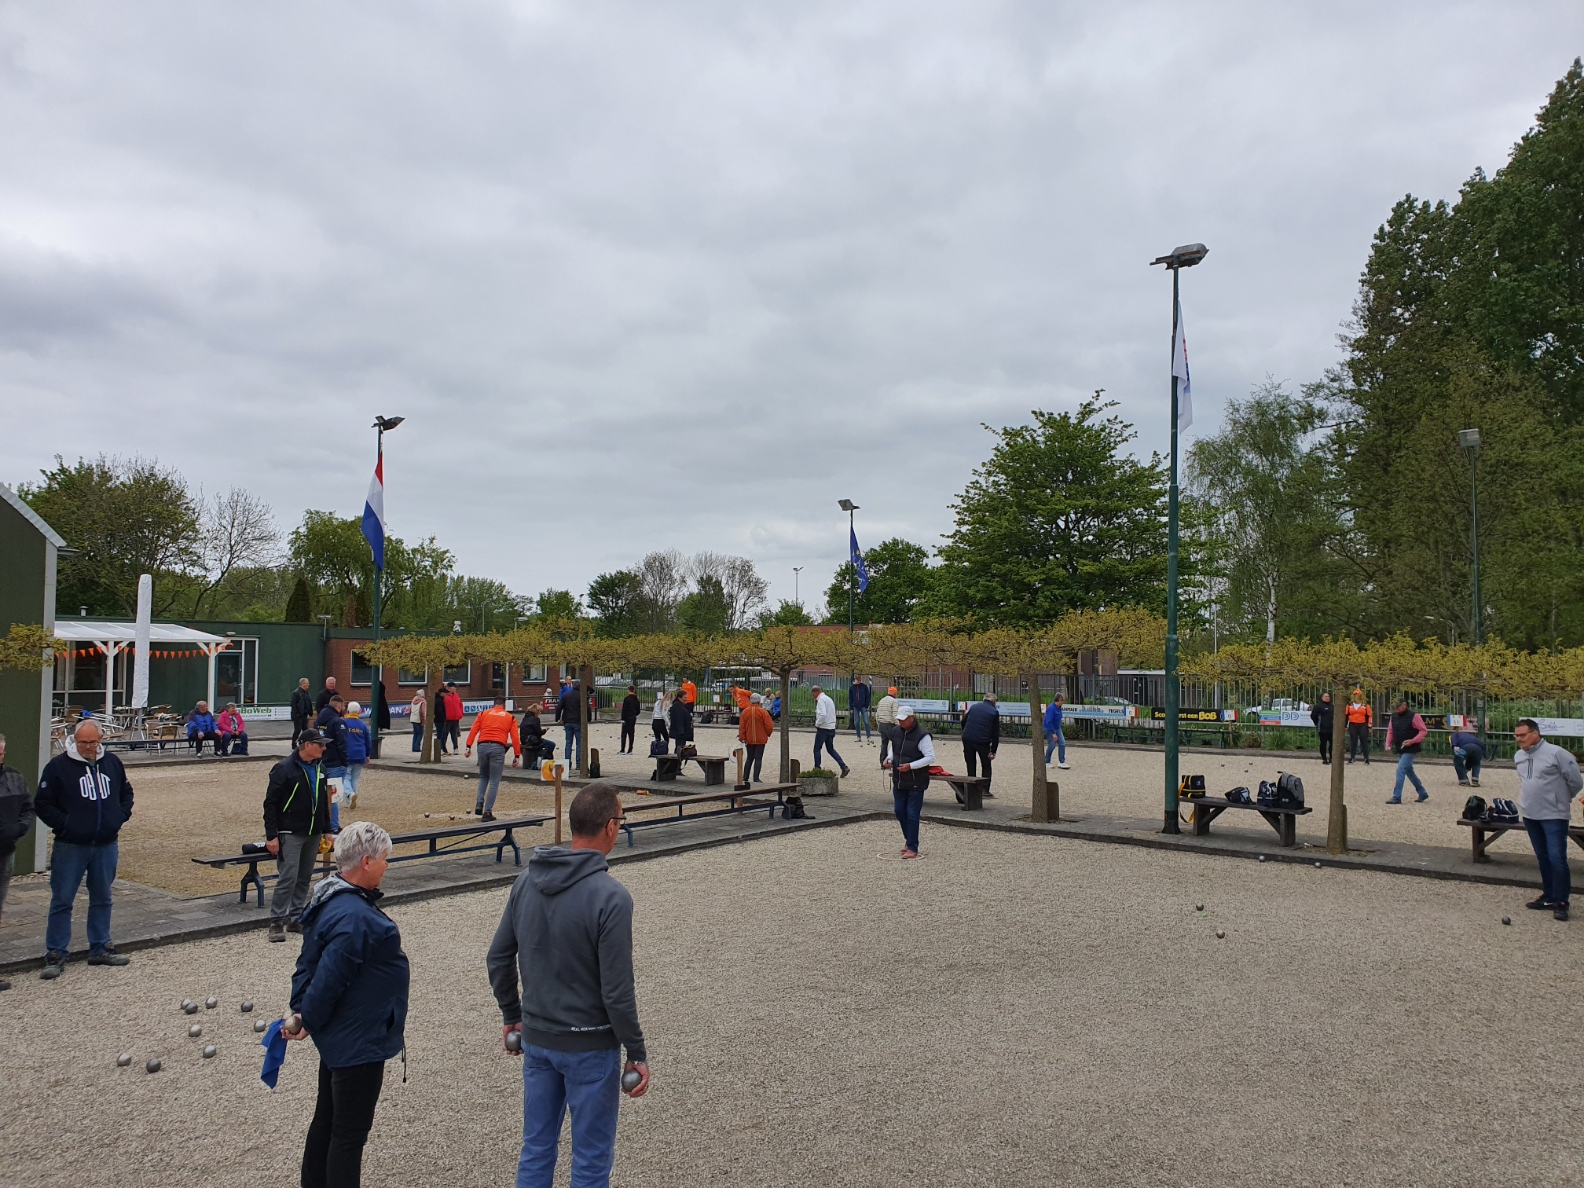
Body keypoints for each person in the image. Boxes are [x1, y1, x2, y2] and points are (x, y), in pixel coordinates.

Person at [487, 783, 649, 1188]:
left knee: (536, 1148)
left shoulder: (526, 881)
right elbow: (616, 990)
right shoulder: (611, 897)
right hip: (590, 1042)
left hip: (538, 1036)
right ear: (610, 827)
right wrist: (636, 1050)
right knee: (591, 1161)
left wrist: (512, 1014)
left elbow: (498, 957)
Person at [285, 821, 409, 1188]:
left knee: (327, 1120)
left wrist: (303, 1010)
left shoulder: (331, 898)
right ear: (367, 862)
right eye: (384, 858)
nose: (387, 864)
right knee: (348, 1134)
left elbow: (308, 964)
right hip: (358, 1038)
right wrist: (308, 1016)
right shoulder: (357, 917)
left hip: (342, 1032)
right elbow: (329, 975)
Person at [34, 719, 134, 979]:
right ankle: (55, 952)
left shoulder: (112, 763)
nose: (88, 747)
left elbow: (126, 793)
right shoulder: (58, 767)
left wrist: (118, 817)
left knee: (103, 897)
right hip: (71, 845)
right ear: (75, 740)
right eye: (83, 742)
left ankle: (100, 947)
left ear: (101, 740)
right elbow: (43, 803)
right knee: (62, 900)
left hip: (105, 843)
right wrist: (66, 824)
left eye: (93, 742)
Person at [263, 728, 331, 942]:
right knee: (288, 878)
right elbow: (270, 803)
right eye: (320, 744)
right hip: (290, 831)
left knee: (304, 877)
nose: (324, 748)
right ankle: (276, 922)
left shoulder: (321, 767)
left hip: (313, 831)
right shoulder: (283, 768)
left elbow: (323, 801)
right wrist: (271, 835)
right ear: (307, 745)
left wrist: (327, 829)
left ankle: (296, 917)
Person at [1513, 718, 1583, 921]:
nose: (1519, 739)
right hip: (1530, 813)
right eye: (1516, 735)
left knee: (1556, 857)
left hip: (1554, 814)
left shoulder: (1557, 753)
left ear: (1535, 734)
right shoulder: (1519, 756)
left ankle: (1562, 901)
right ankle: (1549, 895)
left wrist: (1560, 798)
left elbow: (1576, 781)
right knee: (1542, 856)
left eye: (1522, 735)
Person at [0, 734, 37, 991]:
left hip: (6, 853)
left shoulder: (14, 778)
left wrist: (18, 829)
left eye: (1, 754)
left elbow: (28, 807)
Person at [885, 705, 934, 859]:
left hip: (916, 780)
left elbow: (930, 757)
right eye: (899, 720)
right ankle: (909, 840)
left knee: (912, 814)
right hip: (899, 779)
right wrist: (889, 759)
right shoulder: (896, 731)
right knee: (899, 811)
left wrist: (911, 766)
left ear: (912, 718)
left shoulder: (922, 735)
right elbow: (894, 748)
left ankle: (912, 846)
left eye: (904, 719)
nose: (901, 722)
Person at [467, 695, 523, 820]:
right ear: (504, 705)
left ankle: (479, 802)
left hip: (482, 745)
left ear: (493, 704)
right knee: (494, 780)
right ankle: (487, 812)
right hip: (498, 747)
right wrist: (517, 754)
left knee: (483, 776)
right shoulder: (510, 717)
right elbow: (515, 737)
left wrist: (468, 746)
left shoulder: (483, 714)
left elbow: (473, 730)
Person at [316, 694, 350, 832]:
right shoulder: (338, 722)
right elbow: (342, 743)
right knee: (334, 796)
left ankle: (322, 824)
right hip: (336, 763)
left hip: (321, 762)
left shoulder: (319, 720)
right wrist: (345, 761)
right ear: (339, 707)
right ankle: (334, 826)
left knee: (322, 795)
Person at [1384, 699, 1428, 804]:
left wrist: (1413, 741)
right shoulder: (1393, 716)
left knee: (1401, 769)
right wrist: (1388, 744)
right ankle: (1422, 792)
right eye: (1395, 706)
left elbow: (1423, 730)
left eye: (1398, 706)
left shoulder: (1414, 716)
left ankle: (1397, 796)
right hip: (1400, 747)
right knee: (1409, 771)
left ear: (1404, 705)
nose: (1396, 708)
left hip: (1411, 747)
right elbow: (1390, 731)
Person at [960, 692, 1000, 798]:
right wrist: (993, 750)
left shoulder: (974, 707)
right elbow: (995, 733)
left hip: (967, 738)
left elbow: (963, 721)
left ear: (984, 699)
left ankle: (971, 787)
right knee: (986, 765)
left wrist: (966, 732)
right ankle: (984, 790)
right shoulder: (994, 712)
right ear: (994, 701)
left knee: (971, 763)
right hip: (982, 740)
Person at [810, 685, 850, 777]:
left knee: (817, 749)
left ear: (815, 692)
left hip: (823, 728)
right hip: (831, 727)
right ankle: (843, 766)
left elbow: (823, 714)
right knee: (830, 749)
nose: (812, 696)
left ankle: (817, 769)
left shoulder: (821, 700)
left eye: (812, 694)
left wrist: (817, 724)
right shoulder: (828, 699)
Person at [738, 693, 775, 785]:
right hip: (761, 738)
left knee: (749, 758)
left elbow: (742, 726)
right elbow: (769, 726)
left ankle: (745, 777)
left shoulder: (745, 712)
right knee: (758, 758)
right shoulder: (763, 712)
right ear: (759, 701)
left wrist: (742, 737)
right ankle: (756, 778)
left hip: (749, 738)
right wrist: (767, 734)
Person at [342, 702, 371, 812]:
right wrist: (367, 754)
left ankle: (350, 794)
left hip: (347, 754)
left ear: (348, 711)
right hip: (360, 754)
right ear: (359, 711)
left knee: (345, 776)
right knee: (355, 778)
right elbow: (368, 741)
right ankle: (351, 799)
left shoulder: (343, 723)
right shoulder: (362, 725)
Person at [556, 680, 584, 772]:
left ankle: (567, 762)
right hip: (578, 721)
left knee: (568, 742)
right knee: (579, 743)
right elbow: (587, 708)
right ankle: (578, 763)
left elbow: (559, 707)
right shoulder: (582, 696)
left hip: (567, 721)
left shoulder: (566, 695)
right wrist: (588, 719)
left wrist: (557, 718)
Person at [1450, 721, 1485, 787]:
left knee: (1457, 761)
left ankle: (1464, 780)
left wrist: (1454, 746)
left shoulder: (1455, 735)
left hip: (1466, 747)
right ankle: (1475, 780)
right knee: (1476, 762)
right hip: (1479, 748)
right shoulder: (1469, 735)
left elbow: (1455, 746)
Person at [874, 686, 899, 767]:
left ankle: (883, 762)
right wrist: (899, 725)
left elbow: (877, 714)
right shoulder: (894, 701)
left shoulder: (882, 700)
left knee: (884, 744)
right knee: (896, 742)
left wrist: (878, 724)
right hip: (889, 724)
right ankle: (895, 761)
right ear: (895, 693)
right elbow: (895, 714)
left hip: (882, 724)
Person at [1345, 691, 1373, 764]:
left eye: (1359, 695)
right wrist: (1345, 726)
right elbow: (1346, 715)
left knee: (1364, 741)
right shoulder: (1349, 705)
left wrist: (1369, 726)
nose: (1357, 696)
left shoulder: (1365, 705)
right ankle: (1352, 757)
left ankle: (1366, 758)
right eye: (1355, 695)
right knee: (1353, 741)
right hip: (1352, 724)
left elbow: (1369, 716)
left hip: (1363, 725)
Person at [520, 702, 548, 771]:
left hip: (524, 739)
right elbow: (539, 733)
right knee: (551, 745)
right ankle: (540, 762)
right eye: (540, 712)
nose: (540, 713)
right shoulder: (536, 719)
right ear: (536, 712)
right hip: (532, 740)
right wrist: (545, 730)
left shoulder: (525, 718)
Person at [1043, 694, 1069, 769]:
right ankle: (1047, 761)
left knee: (1062, 743)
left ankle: (1062, 762)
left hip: (1057, 727)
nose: (1063, 702)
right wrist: (1053, 733)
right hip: (1049, 728)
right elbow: (1048, 721)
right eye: (1062, 700)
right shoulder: (1051, 708)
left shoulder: (1059, 707)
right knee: (1052, 745)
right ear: (1059, 700)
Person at [1310, 693, 1335, 765]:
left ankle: (1331, 758)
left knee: (1332, 743)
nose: (1327, 698)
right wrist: (1318, 723)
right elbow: (1313, 716)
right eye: (1326, 696)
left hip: (1331, 728)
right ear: (1322, 698)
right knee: (1323, 743)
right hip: (1322, 728)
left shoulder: (1332, 706)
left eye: (1328, 696)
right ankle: (1324, 758)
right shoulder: (1318, 706)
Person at [668, 690, 694, 754]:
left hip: (683, 730)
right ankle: (677, 758)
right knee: (679, 746)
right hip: (680, 731)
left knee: (681, 746)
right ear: (679, 698)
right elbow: (678, 719)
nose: (686, 699)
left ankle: (678, 757)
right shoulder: (677, 706)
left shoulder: (682, 705)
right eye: (684, 697)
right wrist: (681, 731)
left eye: (686, 697)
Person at [291, 678, 315, 746]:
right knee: (297, 730)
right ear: (303, 684)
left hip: (305, 715)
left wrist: (310, 712)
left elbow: (308, 702)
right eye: (307, 683)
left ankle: (304, 743)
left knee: (306, 730)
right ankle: (294, 744)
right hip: (298, 715)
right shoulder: (296, 693)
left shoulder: (306, 693)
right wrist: (296, 714)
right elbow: (293, 705)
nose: (308, 685)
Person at [849, 677, 873, 743]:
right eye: (857, 680)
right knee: (856, 722)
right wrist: (851, 708)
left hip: (863, 706)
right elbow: (850, 698)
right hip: (855, 706)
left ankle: (869, 737)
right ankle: (858, 737)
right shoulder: (852, 688)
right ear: (855, 680)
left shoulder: (864, 687)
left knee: (866, 721)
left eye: (859, 680)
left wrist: (866, 705)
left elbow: (867, 696)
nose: (858, 681)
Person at [443, 684, 465, 754]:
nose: (455, 689)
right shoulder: (445, 696)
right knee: (445, 734)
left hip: (455, 718)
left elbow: (460, 705)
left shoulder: (456, 695)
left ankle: (455, 748)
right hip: (447, 718)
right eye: (454, 687)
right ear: (449, 688)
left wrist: (460, 714)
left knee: (454, 734)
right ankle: (443, 748)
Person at [619, 686, 641, 754]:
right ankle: (630, 749)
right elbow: (638, 711)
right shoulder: (637, 700)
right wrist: (634, 714)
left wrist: (623, 718)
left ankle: (622, 749)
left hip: (627, 717)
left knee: (624, 733)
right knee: (631, 734)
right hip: (633, 717)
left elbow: (624, 709)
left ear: (628, 690)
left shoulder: (627, 699)